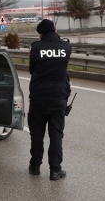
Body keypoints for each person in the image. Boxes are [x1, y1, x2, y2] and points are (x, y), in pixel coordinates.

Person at [28, 19, 72, 181]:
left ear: (41, 33)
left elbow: (33, 70)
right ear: (54, 31)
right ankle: (55, 170)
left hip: (39, 98)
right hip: (58, 98)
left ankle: (35, 166)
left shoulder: (36, 48)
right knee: (56, 135)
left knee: (37, 134)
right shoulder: (66, 47)